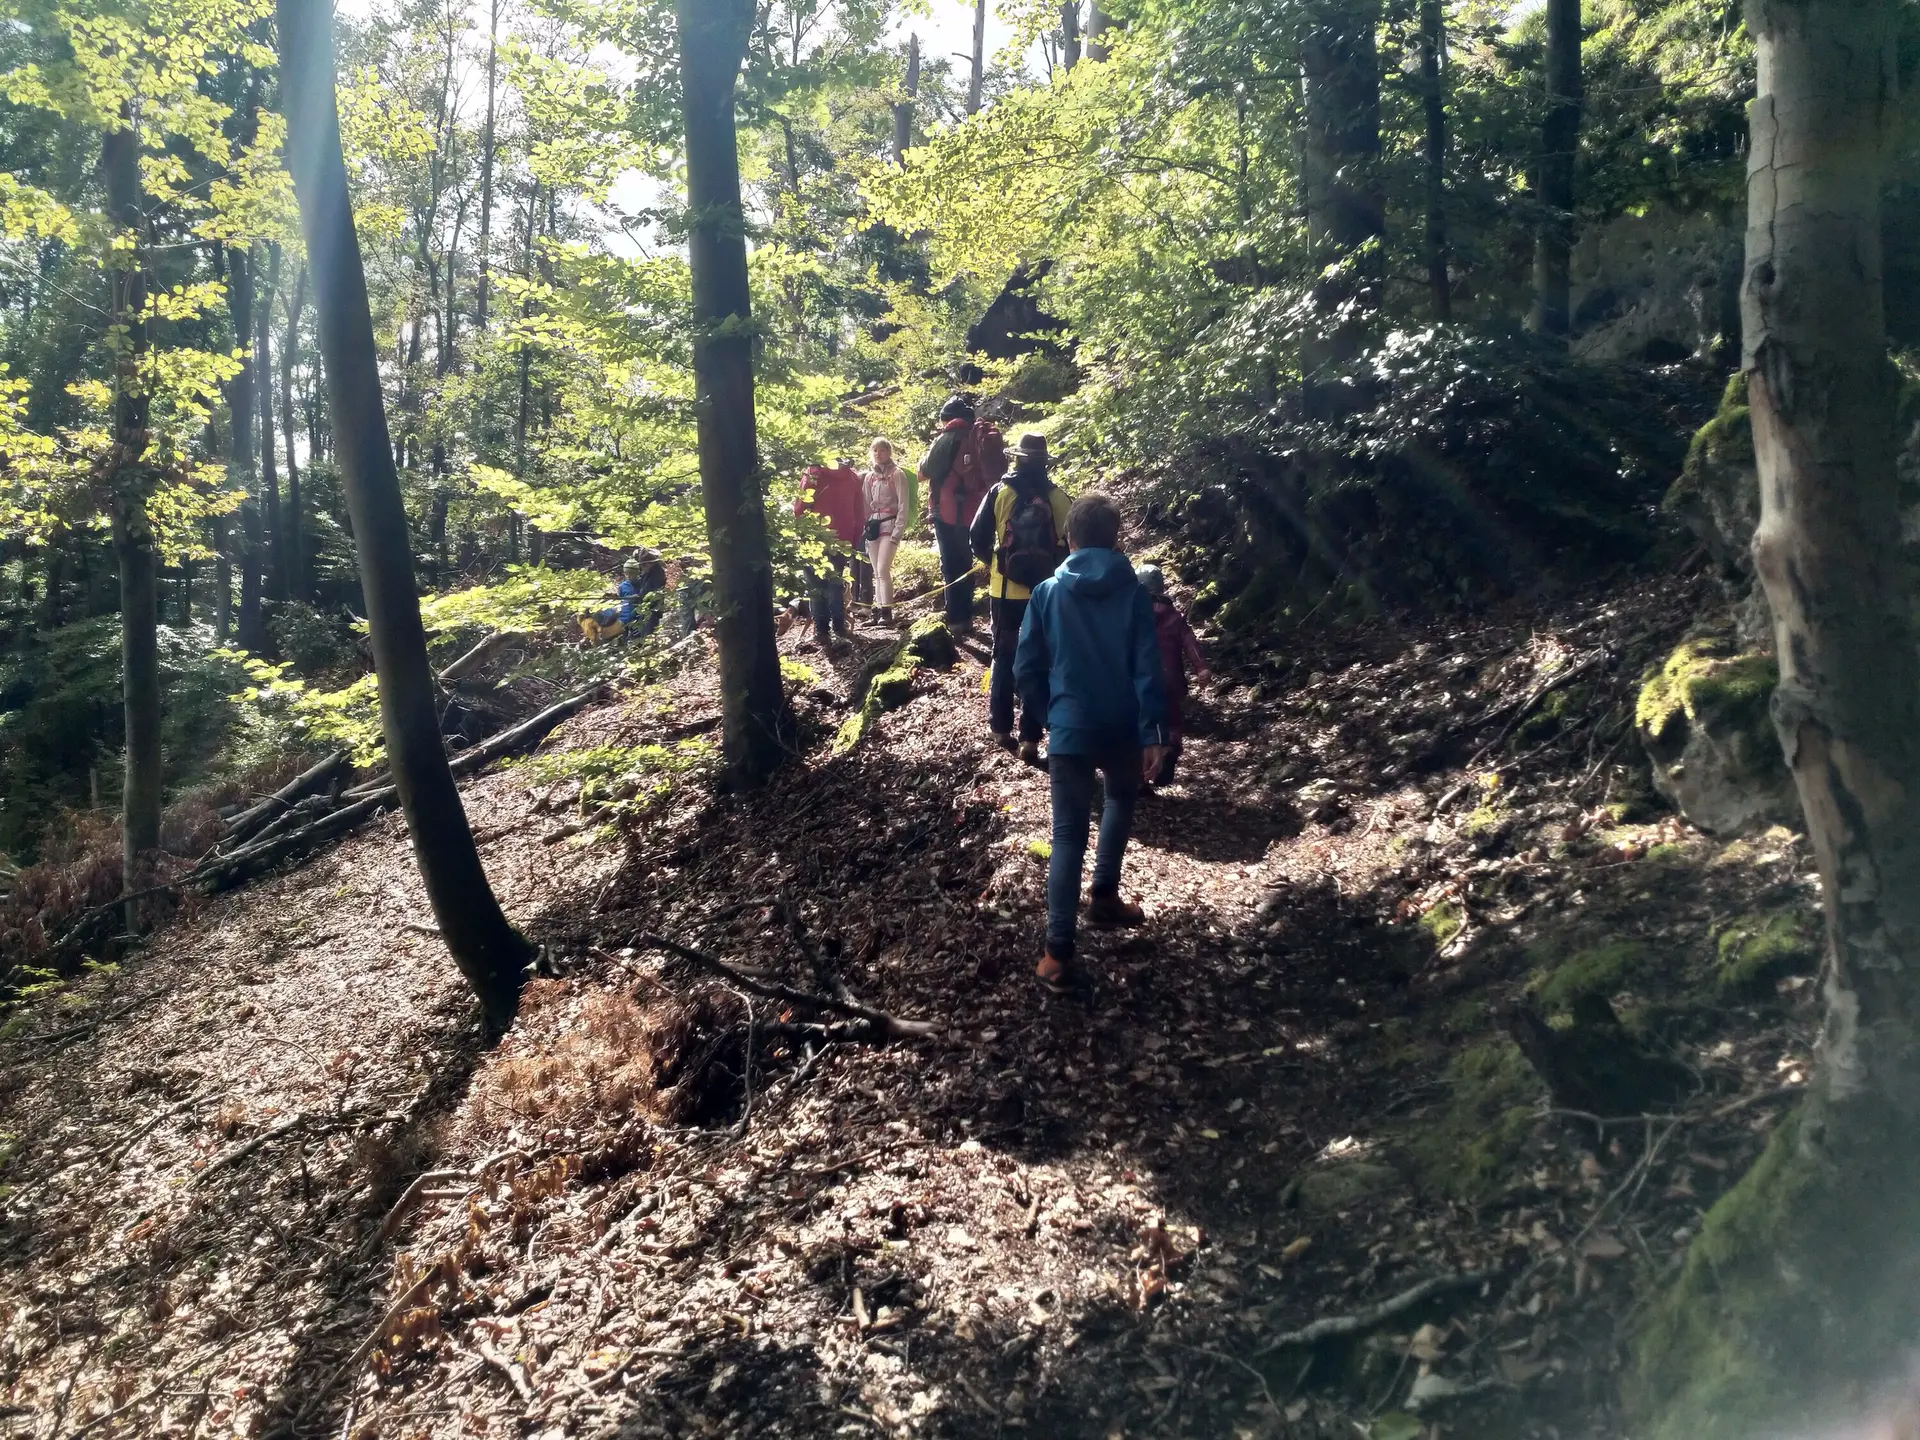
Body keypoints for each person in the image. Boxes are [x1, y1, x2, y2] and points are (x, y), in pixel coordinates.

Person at [1012, 492, 1169, 992]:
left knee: (1066, 836)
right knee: (1120, 799)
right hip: (1122, 727)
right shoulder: (1134, 594)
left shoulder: (1048, 593)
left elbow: (1024, 668)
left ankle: (1056, 954)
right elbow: (1150, 668)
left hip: (1071, 729)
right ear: (1114, 538)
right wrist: (1154, 734)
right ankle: (1103, 897)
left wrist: (1048, 717)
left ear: (1070, 538)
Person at [969, 432, 1071, 751]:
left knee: (1003, 656)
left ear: (1017, 458)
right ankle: (1030, 736)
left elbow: (976, 536)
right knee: (1039, 660)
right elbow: (1072, 546)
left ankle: (1000, 729)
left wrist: (997, 563)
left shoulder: (999, 492)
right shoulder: (1058, 498)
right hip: (1046, 594)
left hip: (1005, 594)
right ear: (1044, 462)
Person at [917, 395, 1001, 632]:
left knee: (951, 563)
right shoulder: (977, 436)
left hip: (948, 509)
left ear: (947, 419)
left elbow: (923, 472)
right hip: (976, 509)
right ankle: (966, 617)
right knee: (965, 561)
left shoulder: (948, 438)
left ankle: (955, 621)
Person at [1134, 564, 1213, 786]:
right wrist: (1202, 667)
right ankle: (1168, 749)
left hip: (1141, 681)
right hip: (1171, 680)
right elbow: (1190, 643)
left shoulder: (1133, 615)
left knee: (1142, 725)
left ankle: (1142, 776)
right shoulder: (1174, 616)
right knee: (1173, 724)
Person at [794, 460, 863, 646]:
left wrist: (799, 531)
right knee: (835, 583)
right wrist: (854, 540)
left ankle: (821, 631)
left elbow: (800, 507)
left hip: (815, 537)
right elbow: (859, 512)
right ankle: (839, 629)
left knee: (816, 585)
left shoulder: (813, 474)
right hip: (843, 537)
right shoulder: (853, 477)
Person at [861, 438, 913, 624]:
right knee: (876, 571)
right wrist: (865, 528)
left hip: (890, 526)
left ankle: (887, 613)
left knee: (883, 569)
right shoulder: (869, 477)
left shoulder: (897, 474)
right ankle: (878, 612)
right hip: (873, 527)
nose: (878, 454)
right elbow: (866, 505)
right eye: (875, 450)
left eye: (882, 450)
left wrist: (897, 532)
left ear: (889, 452)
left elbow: (903, 505)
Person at [617, 550, 666, 640]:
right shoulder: (647, 574)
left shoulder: (657, 575)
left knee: (648, 635)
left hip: (652, 610)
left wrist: (635, 597)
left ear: (648, 564)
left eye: (643, 566)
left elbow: (649, 594)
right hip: (643, 610)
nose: (642, 569)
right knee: (640, 633)